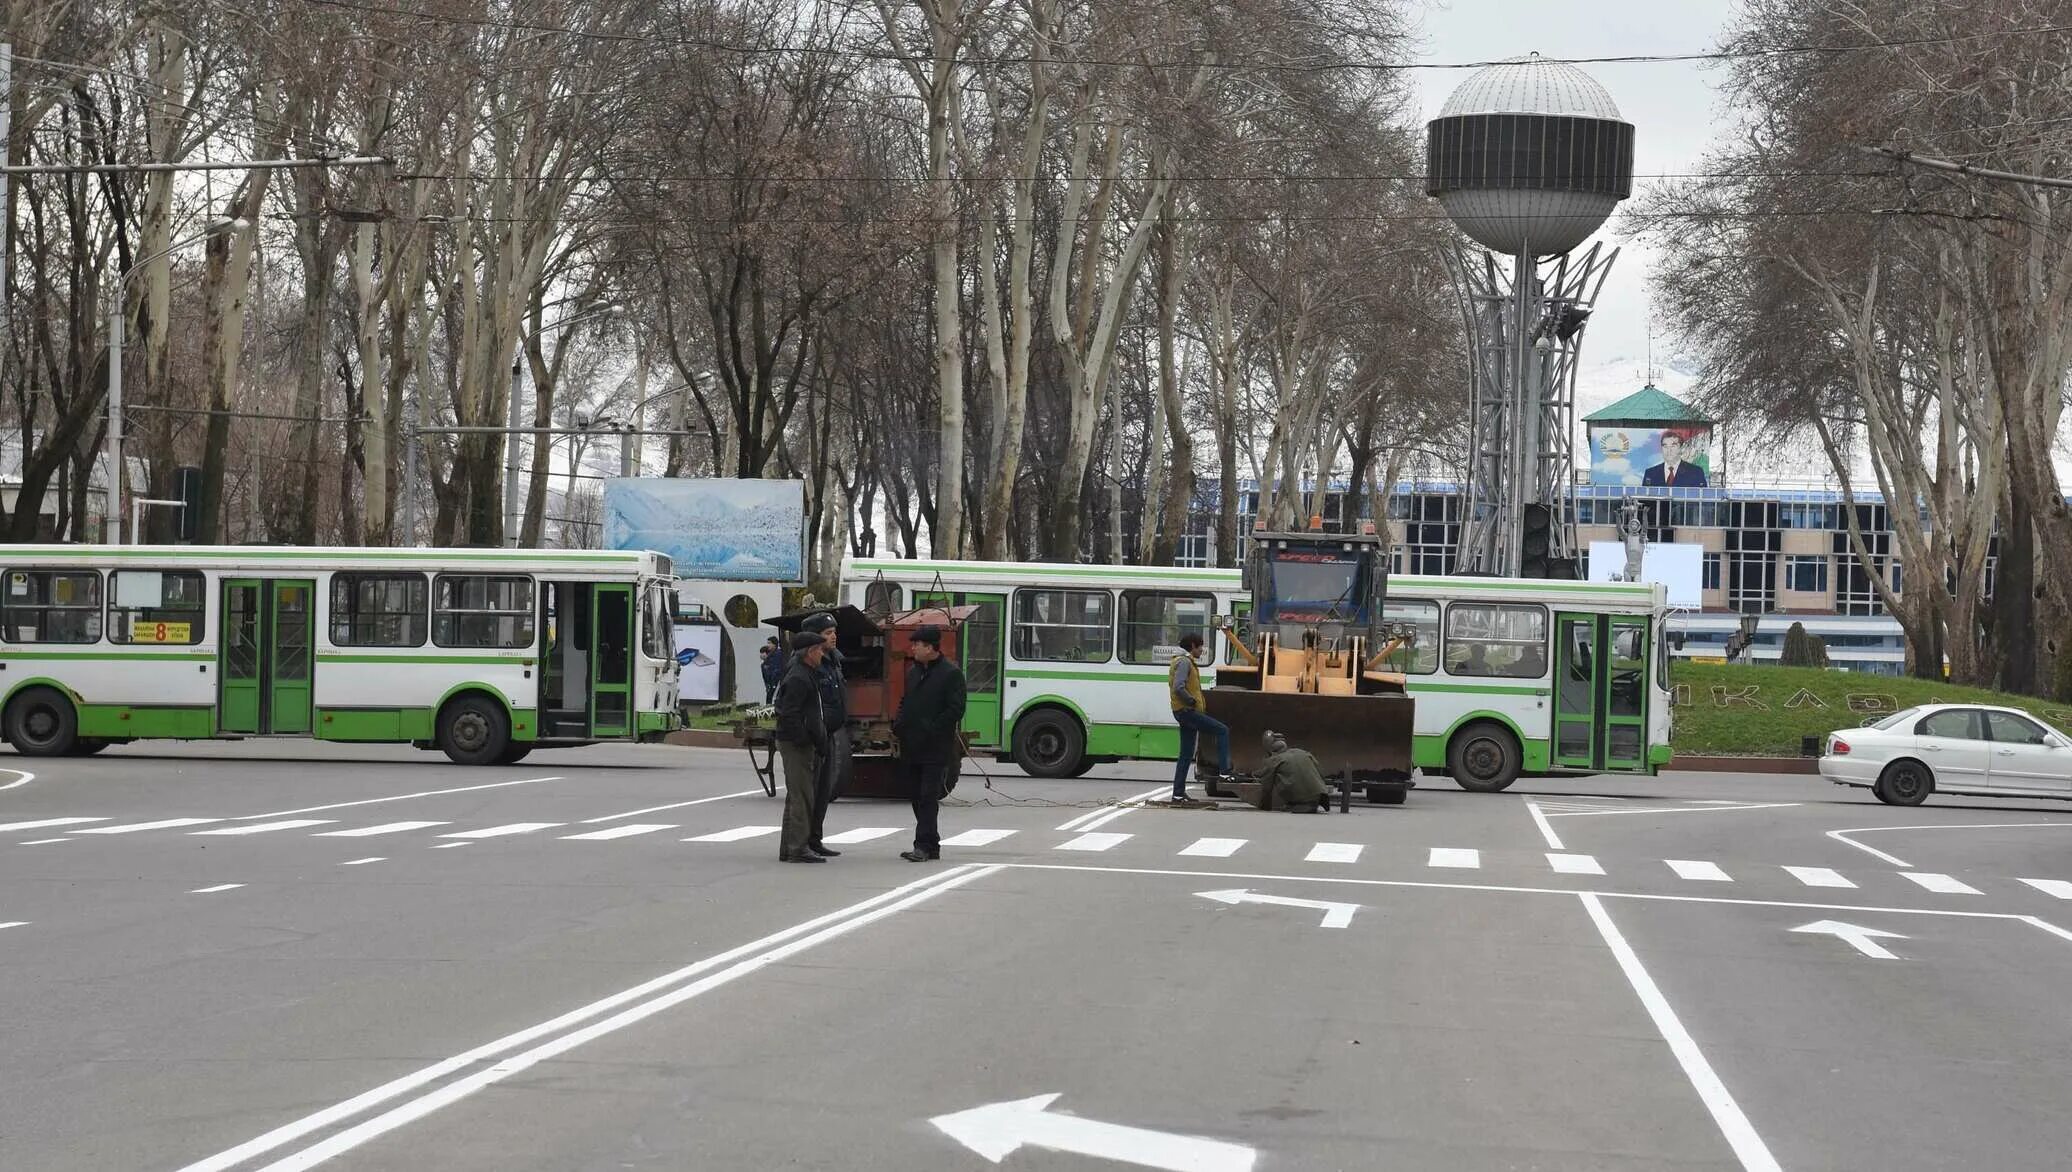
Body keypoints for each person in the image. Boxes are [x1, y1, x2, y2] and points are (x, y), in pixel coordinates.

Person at [892, 625, 965, 863]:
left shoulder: (950, 674)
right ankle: (931, 844)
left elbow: (956, 709)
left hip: (935, 746)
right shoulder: (914, 671)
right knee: (915, 794)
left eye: (917, 645)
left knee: (927, 796)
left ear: (931, 647)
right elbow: (906, 701)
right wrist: (899, 723)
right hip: (912, 744)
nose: (913, 648)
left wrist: (932, 729)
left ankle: (922, 844)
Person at [772, 632, 830, 863]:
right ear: (809, 652)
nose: (822, 654)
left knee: (798, 795)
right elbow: (790, 714)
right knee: (802, 797)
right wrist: (804, 740)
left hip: (799, 742)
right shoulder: (798, 677)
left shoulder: (806, 673)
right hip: (796, 744)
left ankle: (790, 848)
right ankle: (798, 848)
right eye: (819, 650)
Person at [801, 612, 849, 858]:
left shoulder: (834, 659)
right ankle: (803, 841)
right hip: (815, 735)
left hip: (830, 733)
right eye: (827, 633)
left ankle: (815, 838)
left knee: (822, 792)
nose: (833, 637)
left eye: (834, 632)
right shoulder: (811, 664)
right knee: (810, 791)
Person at [1169, 632, 1230, 801]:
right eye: (1200, 646)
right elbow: (1178, 687)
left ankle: (1178, 794)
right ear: (1193, 646)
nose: (1202, 650)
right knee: (1222, 730)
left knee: (1186, 754)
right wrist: (1192, 701)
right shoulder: (1184, 663)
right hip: (1187, 711)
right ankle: (1225, 772)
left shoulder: (1182, 661)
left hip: (1183, 711)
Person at [1252, 730, 1332, 813]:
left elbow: (1267, 788)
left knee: (1273, 776)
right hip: (1318, 799)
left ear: (1270, 749)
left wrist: (1265, 808)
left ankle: (1296, 803)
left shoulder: (1273, 761)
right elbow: (1321, 774)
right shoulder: (1303, 753)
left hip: (1300, 802)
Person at [1641, 431, 1708, 488]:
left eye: (1673, 446)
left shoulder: (1696, 472)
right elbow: (1644, 502)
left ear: (1681, 448)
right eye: (1665, 446)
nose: (1669, 450)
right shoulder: (1650, 474)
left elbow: (1703, 501)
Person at [759, 636, 784, 704]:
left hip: (776, 682)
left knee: (773, 699)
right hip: (770, 682)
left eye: (769, 643)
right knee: (769, 700)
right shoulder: (770, 655)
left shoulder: (778, 654)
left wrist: (773, 683)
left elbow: (776, 670)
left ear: (774, 644)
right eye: (767, 643)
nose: (768, 645)